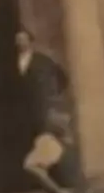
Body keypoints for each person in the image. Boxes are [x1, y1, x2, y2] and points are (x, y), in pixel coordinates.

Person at [14, 30, 71, 182]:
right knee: (27, 140)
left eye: (23, 39)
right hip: (22, 108)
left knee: (45, 140)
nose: (20, 43)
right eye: (18, 40)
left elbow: (62, 77)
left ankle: (56, 177)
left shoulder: (42, 60)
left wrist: (52, 95)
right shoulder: (12, 62)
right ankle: (32, 179)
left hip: (41, 106)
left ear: (30, 42)